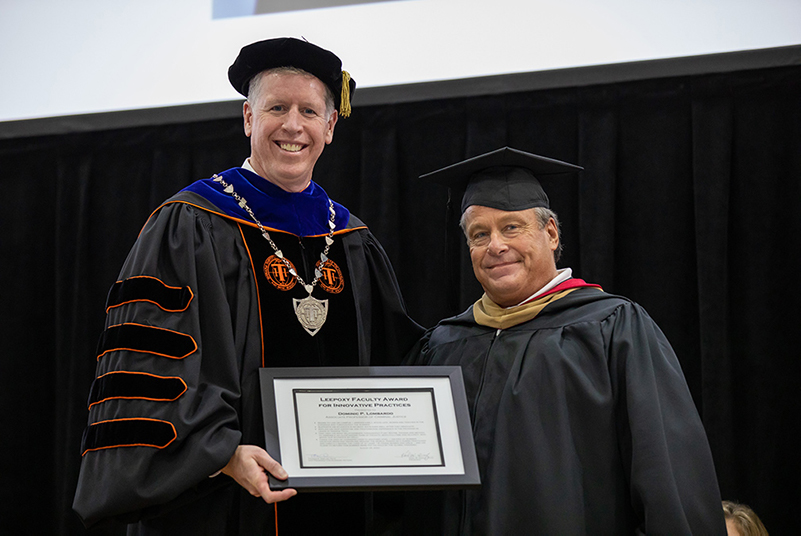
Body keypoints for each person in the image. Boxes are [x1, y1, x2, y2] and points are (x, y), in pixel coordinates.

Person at [72, 37, 422, 535]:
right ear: (248, 119)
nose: (293, 126)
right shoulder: (190, 224)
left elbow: (397, 361)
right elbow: (148, 364)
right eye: (276, 107)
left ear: (330, 125)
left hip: (338, 503)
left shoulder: (352, 239)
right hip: (222, 503)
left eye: (308, 110)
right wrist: (219, 453)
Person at [403, 147, 727, 534]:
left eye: (511, 227)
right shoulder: (443, 345)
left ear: (551, 233)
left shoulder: (613, 328)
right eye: (479, 234)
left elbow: (669, 480)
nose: (495, 246)